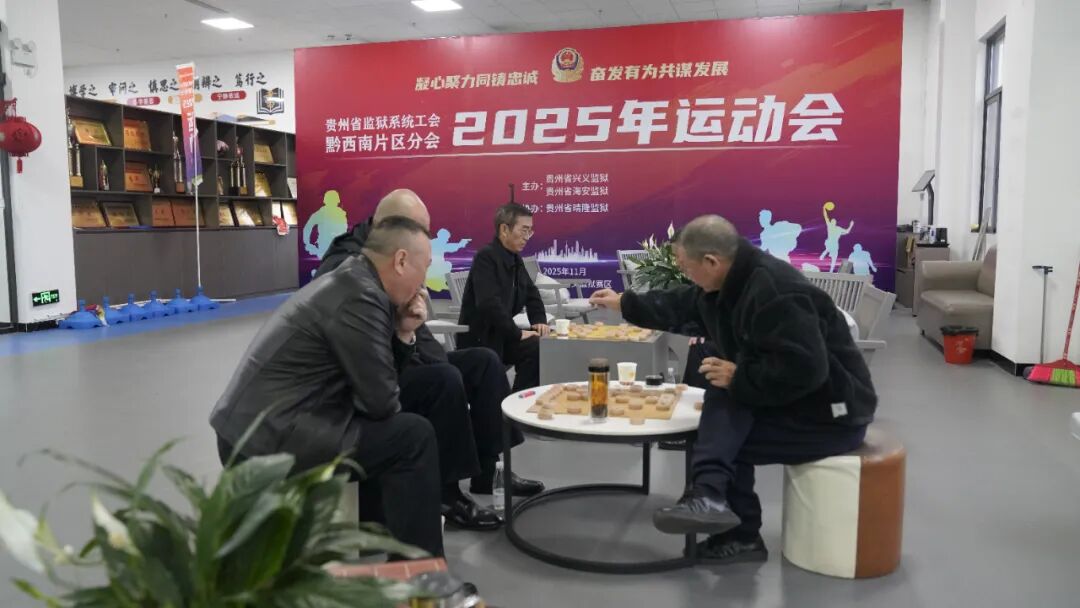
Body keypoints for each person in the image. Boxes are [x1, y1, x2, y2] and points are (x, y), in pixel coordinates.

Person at [589, 215, 876, 565]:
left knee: (725, 439)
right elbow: (681, 303)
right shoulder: (729, 283)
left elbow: (806, 368)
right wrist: (623, 303)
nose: (684, 274)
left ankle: (736, 529)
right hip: (794, 398)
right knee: (721, 404)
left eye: (685, 266)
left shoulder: (776, 292)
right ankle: (711, 499)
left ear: (711, 261)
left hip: (833, 412)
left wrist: (740, 376)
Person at [210, 217, 444, 556]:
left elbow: (377, 384)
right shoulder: (361, 297)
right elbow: (381, 402)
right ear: (401, 260)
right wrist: (400, 347)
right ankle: (422, 573)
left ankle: (379, 528)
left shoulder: (355, 280)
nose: (423, 283)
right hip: (267, 437)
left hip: (262, 424)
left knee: (404, 419)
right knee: (413, 437)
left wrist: (403, 332)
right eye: (424, 268)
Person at [317, 190, 545, 512]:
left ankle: (489, 471)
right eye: (419, 232)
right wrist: (416, 346)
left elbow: (414, 325)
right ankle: (446, 493)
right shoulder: (349, 268)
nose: (424, 241)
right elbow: (367, 357)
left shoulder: (393, 257)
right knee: (445, 378)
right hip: (368, 375)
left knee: (483, 363)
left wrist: (421, 345)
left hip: (406, 352)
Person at [457, 203, 548, 392]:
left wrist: (539, 320)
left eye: (530, 231)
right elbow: (489, 304)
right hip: (482, 339)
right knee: (533, 346)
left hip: (502, 336)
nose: (527, 237)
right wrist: (518, 333)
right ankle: (511, 403)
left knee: (539, 345)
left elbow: (531, 292)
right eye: (523, 230)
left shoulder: (515, 258)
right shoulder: (486, 257)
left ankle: (520, 399)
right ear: (504, 229)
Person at [302, 189, 349, 258]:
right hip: (326, 247)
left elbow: (344, 231)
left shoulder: (341, 214)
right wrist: (307, 243)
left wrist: (308, 243)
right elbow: (308, 227)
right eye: (332, 201)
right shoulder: (321, 214)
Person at [819, 201, 854, 273]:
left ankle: (831, 270)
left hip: (835, 244)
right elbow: (826, 217)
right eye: (832, 221)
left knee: (834, 258)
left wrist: (851, 225)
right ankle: (824, 254)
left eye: (833, 221)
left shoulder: (838, 229)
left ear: (835, 223)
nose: (832, 222)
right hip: (829, 243)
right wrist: (824, 208)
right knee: (828, 247)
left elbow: (847, 232)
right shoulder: (830, 226)